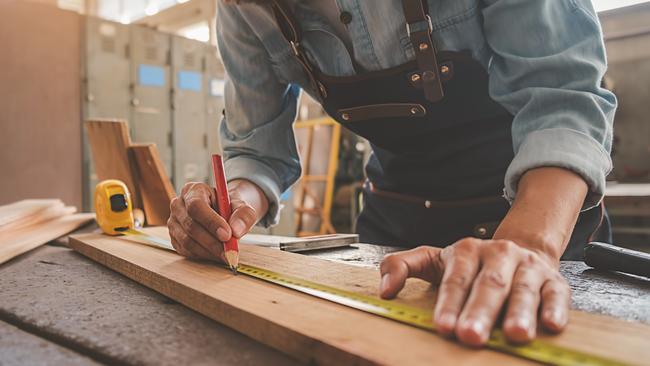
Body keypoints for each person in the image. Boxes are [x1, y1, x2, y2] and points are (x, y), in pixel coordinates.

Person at [167, 0, 616, 346]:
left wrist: (527, 245)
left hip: (535, 214)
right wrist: (233, 207)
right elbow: (256, 149)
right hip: (394, 216)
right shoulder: (241, 9)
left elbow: (563, 101)